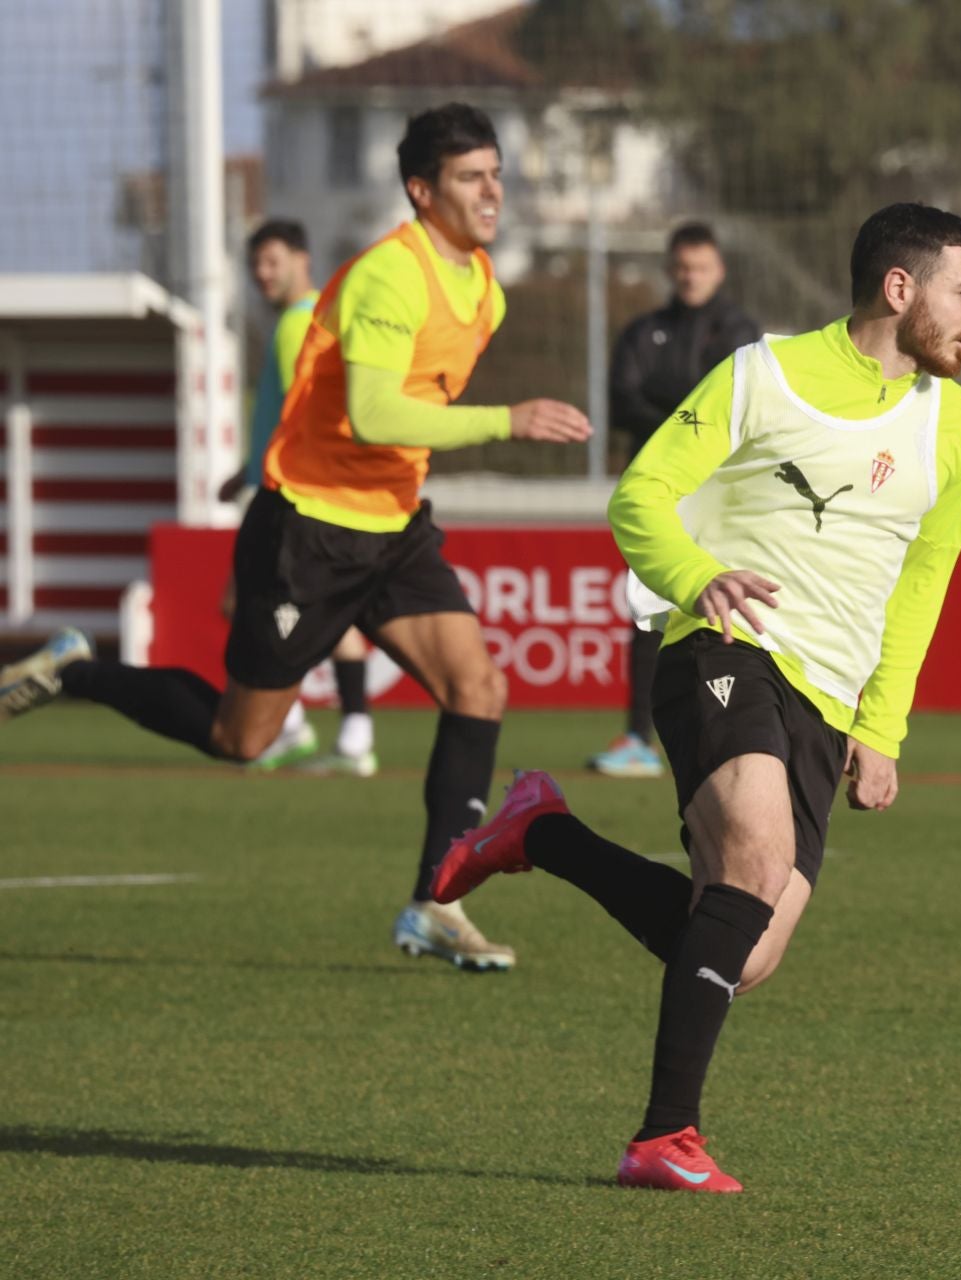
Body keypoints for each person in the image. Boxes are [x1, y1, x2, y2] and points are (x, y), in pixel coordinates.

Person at [432, 202, 961, 1192]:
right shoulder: (762, 374)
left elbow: (925, 583)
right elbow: (639, 497)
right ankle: (663, 1136)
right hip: (718, 647)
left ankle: (542, 830)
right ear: (901, 288)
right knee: (756, 856)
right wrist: (698, 579)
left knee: (747, 944)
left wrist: (882, 728)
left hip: (828, 699)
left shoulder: (960, 428)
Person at [0, 103, 594, 971]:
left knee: (480, 688)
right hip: (308, 532)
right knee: (241, 740)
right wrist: (510, 419)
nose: (492, 191)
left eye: (497, 173)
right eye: (472, 177)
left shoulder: (485, 289)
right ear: (422, 191)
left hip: (393, 527)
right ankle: (74, 669)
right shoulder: (390, 276)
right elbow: (376, 410)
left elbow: (406, 420)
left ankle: (435, 902)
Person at [591, 223, 761, 779]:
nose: (691, 277)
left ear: (719, 271)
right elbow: (621, 401)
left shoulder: (740, 332)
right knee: (647, 611)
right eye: (683, 267)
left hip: (722, 495)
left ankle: (736, 731)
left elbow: (735, 407)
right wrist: (688, 418)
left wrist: (674, 413)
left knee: (726, 610)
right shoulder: (644, 332)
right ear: (671, 269)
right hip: (658, 493)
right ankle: (639, 737)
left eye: (701, 267)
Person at [216, 219, 379, 777]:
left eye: (273, 261)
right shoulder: (312, 318)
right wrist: (242, 472)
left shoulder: (294, 324)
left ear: (302, 260)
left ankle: (289, 727)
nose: (263, 273)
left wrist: (266, 483)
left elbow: (300, 415)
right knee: (329, 613)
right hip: (288, 488)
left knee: (250, 606)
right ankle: (348, 732)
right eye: (256, 264)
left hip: (288, 499)